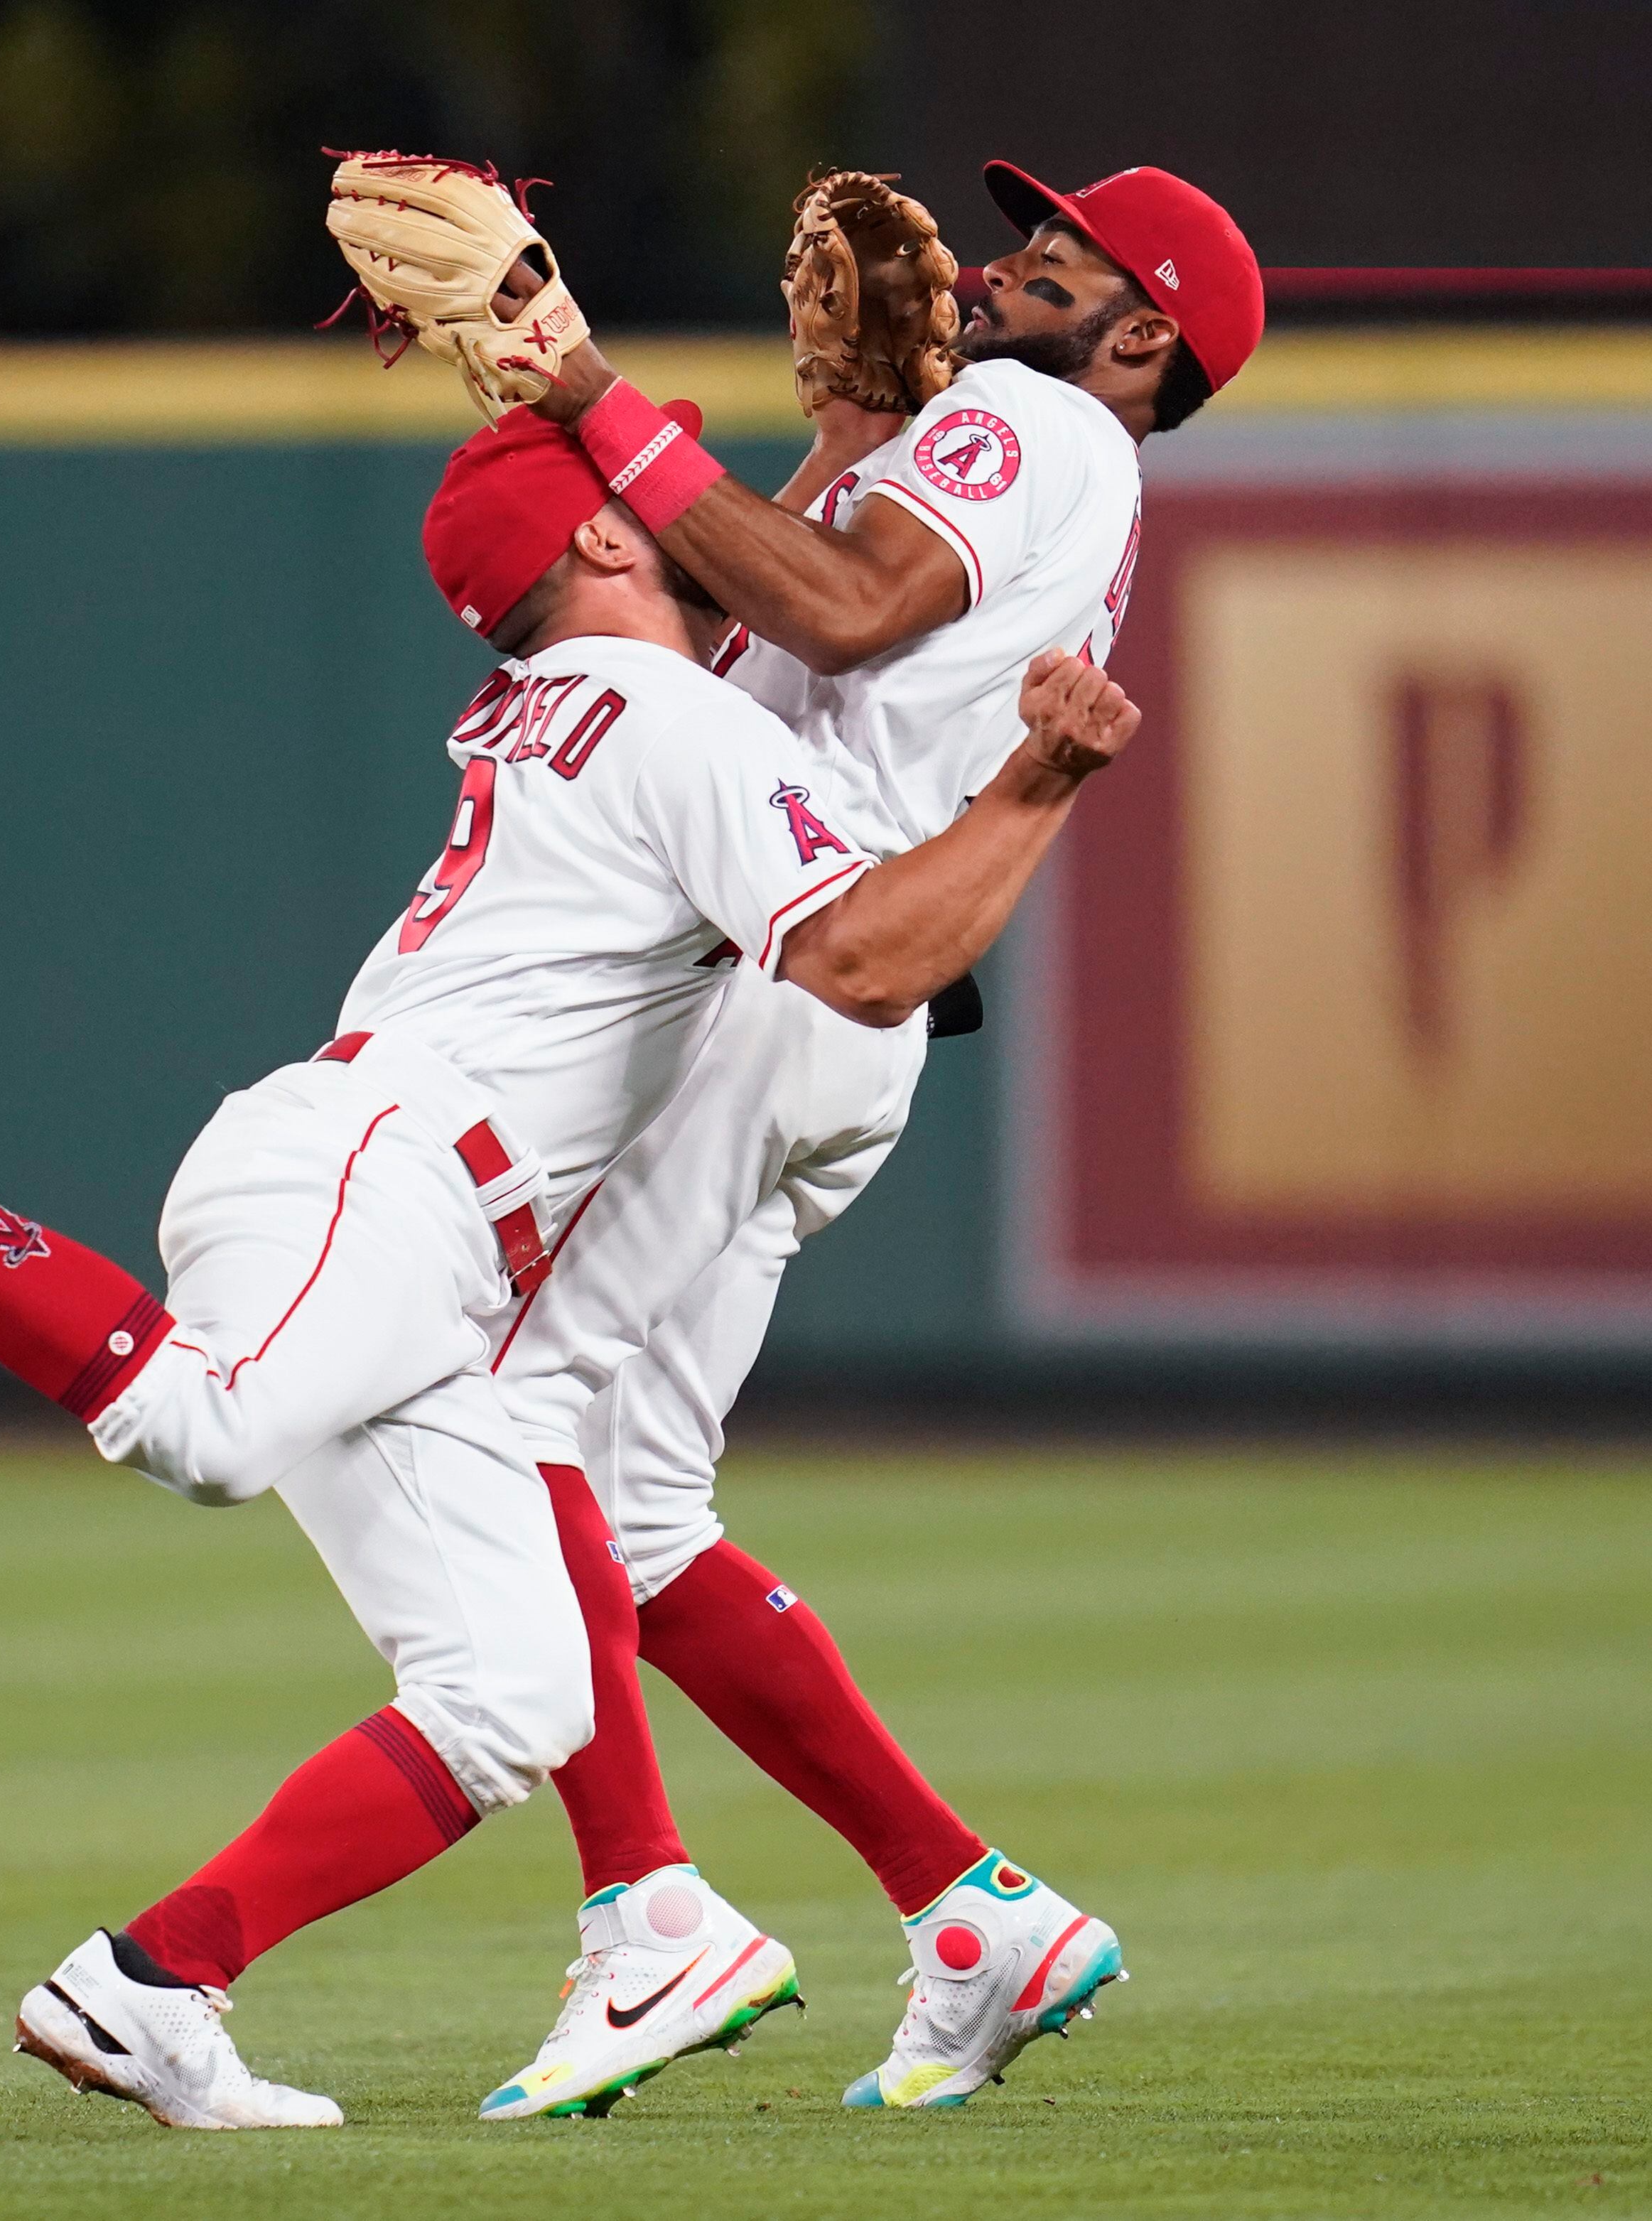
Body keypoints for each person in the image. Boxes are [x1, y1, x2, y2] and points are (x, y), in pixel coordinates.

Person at [0, 401, 1144, 2129]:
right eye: (652, 494)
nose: (691, 505)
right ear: (596, 543)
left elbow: (782, 623)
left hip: (430, 1239)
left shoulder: (600, 698)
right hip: (385, 1176)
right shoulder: (661, 708)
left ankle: (151, 1986)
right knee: (205, 1435)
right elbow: (869, 960)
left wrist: (847, 433)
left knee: (511, 1698)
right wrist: (1031, 776)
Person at [447, 161, 1265, 2117]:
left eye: (1051, 263)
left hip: (796, 963)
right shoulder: (989, 429)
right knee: (634, 1513)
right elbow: (805, 608)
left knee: (510, 1412)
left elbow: (845, 603)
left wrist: (589, 387)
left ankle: (647, 1918)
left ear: (1140, 338)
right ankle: (968, 1906)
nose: (997, 269)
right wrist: (837, 439)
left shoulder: (1043, 415)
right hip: (833, 1008)